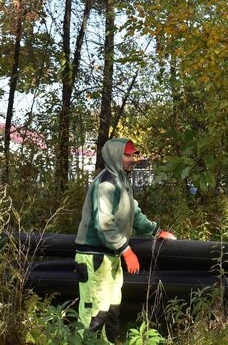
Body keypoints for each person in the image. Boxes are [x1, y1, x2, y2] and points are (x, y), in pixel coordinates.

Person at [74, 137, 175, 342]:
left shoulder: (122, 182)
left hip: (110, 256)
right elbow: (104, 224)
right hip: (94, 257)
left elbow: (133, 213)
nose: (132, 159)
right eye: (127, 155)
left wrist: (155, 231)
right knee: (94, 314)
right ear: (114, 157)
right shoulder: (106, 184)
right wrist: (126, 251)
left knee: (112, 311)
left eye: (133, 155)